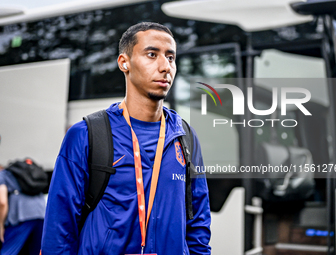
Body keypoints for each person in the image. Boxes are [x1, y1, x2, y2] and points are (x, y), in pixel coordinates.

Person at [41, 22, 211, 254]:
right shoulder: (87, 134)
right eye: (152, 55)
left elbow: (198, 222)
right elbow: (59, 226)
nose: (165, 67)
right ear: (124, 62)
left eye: (170, 57)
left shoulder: (185, 137)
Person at [0, 159, 46, 255]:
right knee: (36, 252)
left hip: (21, 215)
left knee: (8, 251)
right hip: (41, 212)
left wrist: (1, 226)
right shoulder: (18, 173)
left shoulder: (3, 175)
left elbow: (2, 202)